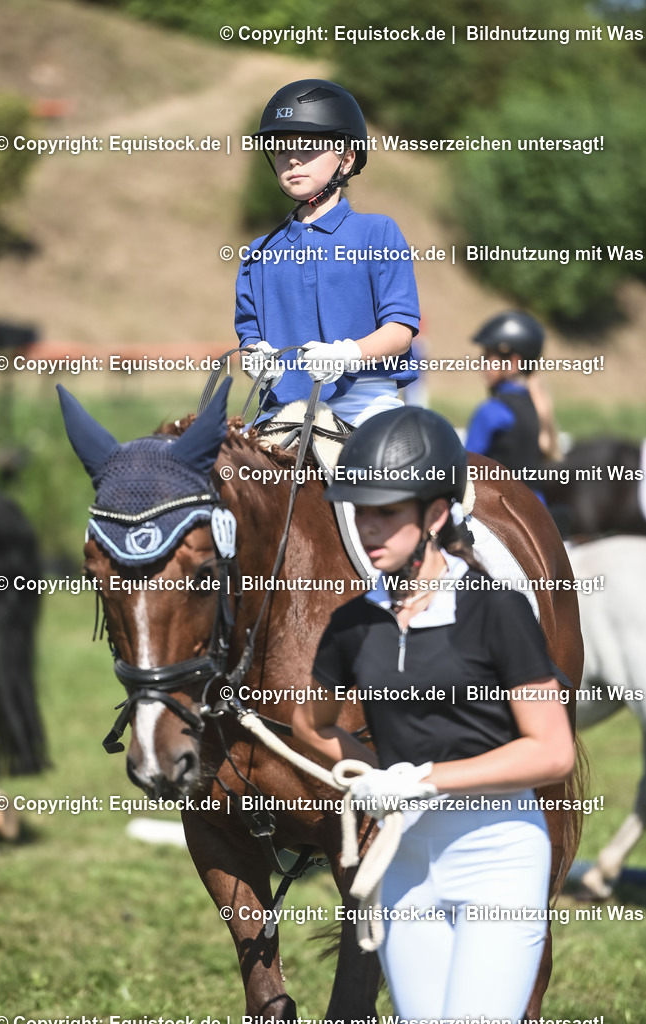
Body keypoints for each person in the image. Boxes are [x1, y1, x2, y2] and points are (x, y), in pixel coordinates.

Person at [291, 406, 575, 1021]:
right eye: (361, 511)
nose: (368, 528)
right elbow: (310, 727)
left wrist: (422, 778)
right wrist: (372, 773)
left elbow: (553, 751)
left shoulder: (494, 611)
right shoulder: (351, 626)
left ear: (437, 513)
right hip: (407, 865)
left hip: (497, 855)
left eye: (388, 511)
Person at [235, 79, 420, 427]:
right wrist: (254, 359)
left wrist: (347, 354)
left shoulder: (377, 233)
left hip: (363, 408)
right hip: (280, 412)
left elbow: (400, 331)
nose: (291, 159)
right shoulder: (258, 253)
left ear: (346, 159)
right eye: (280, 148)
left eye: (307, 147)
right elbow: (250, 337)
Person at [466, 311, 562, 483]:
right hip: (538, 507)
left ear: (513, 362)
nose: (481, 363)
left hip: (498, 509)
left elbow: (464, 470)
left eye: (487, 356)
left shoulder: (491, 411)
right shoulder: (539, 406)